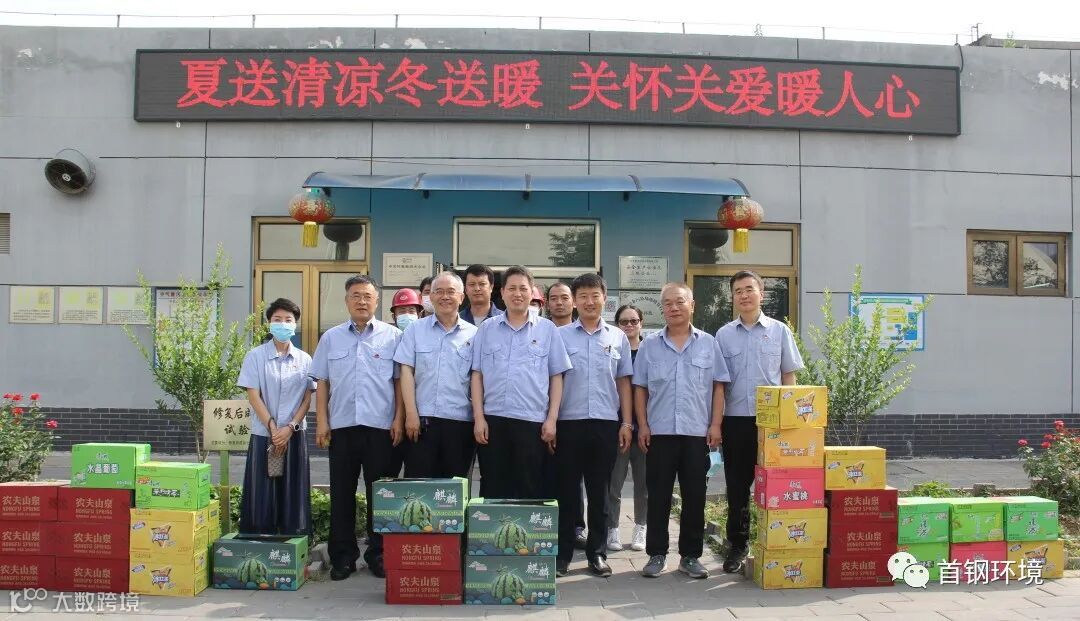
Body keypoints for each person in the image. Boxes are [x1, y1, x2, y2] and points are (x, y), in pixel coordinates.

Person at [311, 275, 404, 581]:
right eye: (356, 296)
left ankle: (379, 554)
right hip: (342, 428)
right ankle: (343, 557)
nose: (362, 301)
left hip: (381, 428)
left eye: (367, 296)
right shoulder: (331, 338)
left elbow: (399, 383)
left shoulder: (393, 337)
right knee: (342, 495)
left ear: (377, 301)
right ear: (346, 300)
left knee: (381, 495)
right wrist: (322, 422)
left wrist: (399, 419)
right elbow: (322, 382)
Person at [633, 283, 728, 579]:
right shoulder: (649, 345)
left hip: (696, 434)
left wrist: (715, 424)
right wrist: (642, 425)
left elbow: (718, 387)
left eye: (680, 302)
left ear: (692, 305)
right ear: (662, 308)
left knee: (695, 497)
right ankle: (656, 554)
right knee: (658, 496)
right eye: (668, 303)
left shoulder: (709, 343)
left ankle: (690, 556)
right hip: (659, 434)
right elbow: (640, 389)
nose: (674, 308)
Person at [714, 270, 803, 574]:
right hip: (736, 421)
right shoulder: (723, 335)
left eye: (749, 289)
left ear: (761, 294)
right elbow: (718, 385)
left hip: (772, 424)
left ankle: (778, 540)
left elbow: (789, 375)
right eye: (738, 291)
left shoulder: (779, 331)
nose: (744, 295)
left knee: (778, 483)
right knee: (737, 487)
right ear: (733, 297)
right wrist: (716, 423)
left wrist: (791, 421)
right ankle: (738, 546)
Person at [554, 273, 633, 578]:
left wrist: (627, 422)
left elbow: (624, 382)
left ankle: (597, 554)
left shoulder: (617, 337)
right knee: (566, 492)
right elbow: (553, 381)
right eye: (583, 296)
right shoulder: (559, 336)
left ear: (604, 298)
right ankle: (561, 555)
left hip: (605, 423)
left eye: (594, 295)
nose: (589, 301)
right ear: (575, 301)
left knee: (600, 492)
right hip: (568, 423)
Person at [471, 265, 571, 498]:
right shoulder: (487, 328)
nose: (517, 294)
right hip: (493, 420)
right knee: (493, 486)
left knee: (530, 486)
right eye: (512, 288)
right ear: (502, 292)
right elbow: (477, 375)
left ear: (532, 291)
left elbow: (556, 377)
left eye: (523, 289)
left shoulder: (548, 330)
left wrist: (552, 419)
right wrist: (479, 418)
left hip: (532, 421)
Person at [237, 298, 314, 537]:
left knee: (293, 490)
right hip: (264, 434)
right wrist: (273, 428)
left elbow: (307, 399)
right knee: (261, 491)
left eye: (288, 320)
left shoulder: (305, 359)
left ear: (295, 324)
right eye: (277, 319)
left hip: (294, 434)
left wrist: (290, 427)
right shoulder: (255, 356)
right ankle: (259, 539)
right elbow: (253, 395)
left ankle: (294, 539)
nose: (283, 324)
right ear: (269, 323)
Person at [395, 272, 479, 479]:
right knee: (418, 485)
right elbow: (406, 371)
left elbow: (477, 379)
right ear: (430, 297)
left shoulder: (475, 334)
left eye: (451, 292)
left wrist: (478, 418)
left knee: (455, 489)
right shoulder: (415, 330)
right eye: (439, 291)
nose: (445, 297)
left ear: (462, 297)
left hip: (460, 423)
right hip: (421, 423)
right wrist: (411, 414)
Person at [545, 280, 585, 546]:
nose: (559, 302)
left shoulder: (582, 333)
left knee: (575, 476)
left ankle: (577, 527)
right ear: (547, 304)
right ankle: (548, 526)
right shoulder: (541, 332)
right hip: (543, 417)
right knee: (547, 473)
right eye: (554, 298)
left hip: (573, 417)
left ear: (573, 302)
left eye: (564, 297)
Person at [606, 304, 648, 552]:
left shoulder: (649, 351)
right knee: (614, 482)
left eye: (634, 321)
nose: (629, 325)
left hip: (644, 427)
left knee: (644, 483)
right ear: (617, 325)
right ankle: (612, 528)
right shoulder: (613, 351)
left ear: (641, 323)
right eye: (624, 321)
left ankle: (641, 526)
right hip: (618, 426)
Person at [387, 288, 423, 477]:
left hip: (419, 420)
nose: (407, 315)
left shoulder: (424, 338)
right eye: (401, 311)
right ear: (394, 316)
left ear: (419, 314)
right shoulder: (387, 339)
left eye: (411, 311)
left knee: (416, 473)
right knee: (387, 475)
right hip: (388, 421)